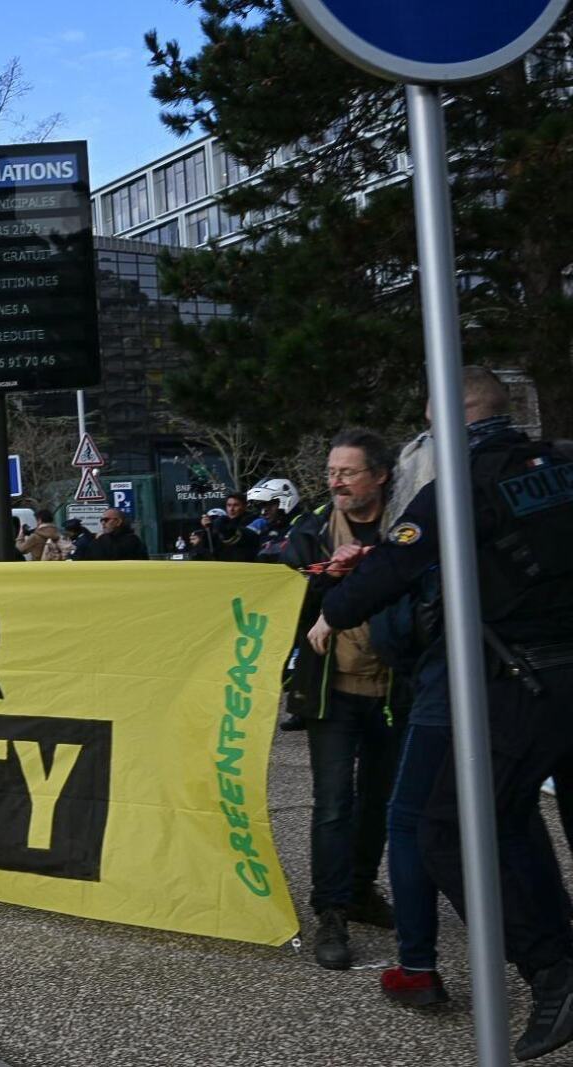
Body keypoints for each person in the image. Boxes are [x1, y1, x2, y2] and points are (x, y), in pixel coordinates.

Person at [315, 370, 573, 1058]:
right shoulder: (559, 464)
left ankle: (553, 970)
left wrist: (335, 605)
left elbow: (389, 573)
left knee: (448, 828)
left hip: (520, 679)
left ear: (453, 418)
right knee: (511, 817)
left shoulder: (459, 482)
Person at [280, 428, 401, 971]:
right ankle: (329, 911)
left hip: (395, 687)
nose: (336, 482)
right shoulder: (311, 531)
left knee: (381, 799)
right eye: (331, 472)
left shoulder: (410, 525)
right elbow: (286, 602)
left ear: (380, 475)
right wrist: (328, 578)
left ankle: (359, 889)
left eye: (348, 472)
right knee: (333, 802)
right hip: (332, 690)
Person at [247, 478, 303, 563]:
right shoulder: (267, 529)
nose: (264, 512)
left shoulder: (302, 525)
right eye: (262, 506)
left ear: (286, 501)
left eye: (270, 504)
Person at [201, 494, 261, 562]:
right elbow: (208, 547)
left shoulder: (253, 520)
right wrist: (207, 530)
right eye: (229, 505)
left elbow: (244, 538)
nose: (231, 509)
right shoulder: (222, 522)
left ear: (244, 506)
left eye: (236, 505)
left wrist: (223, 528)